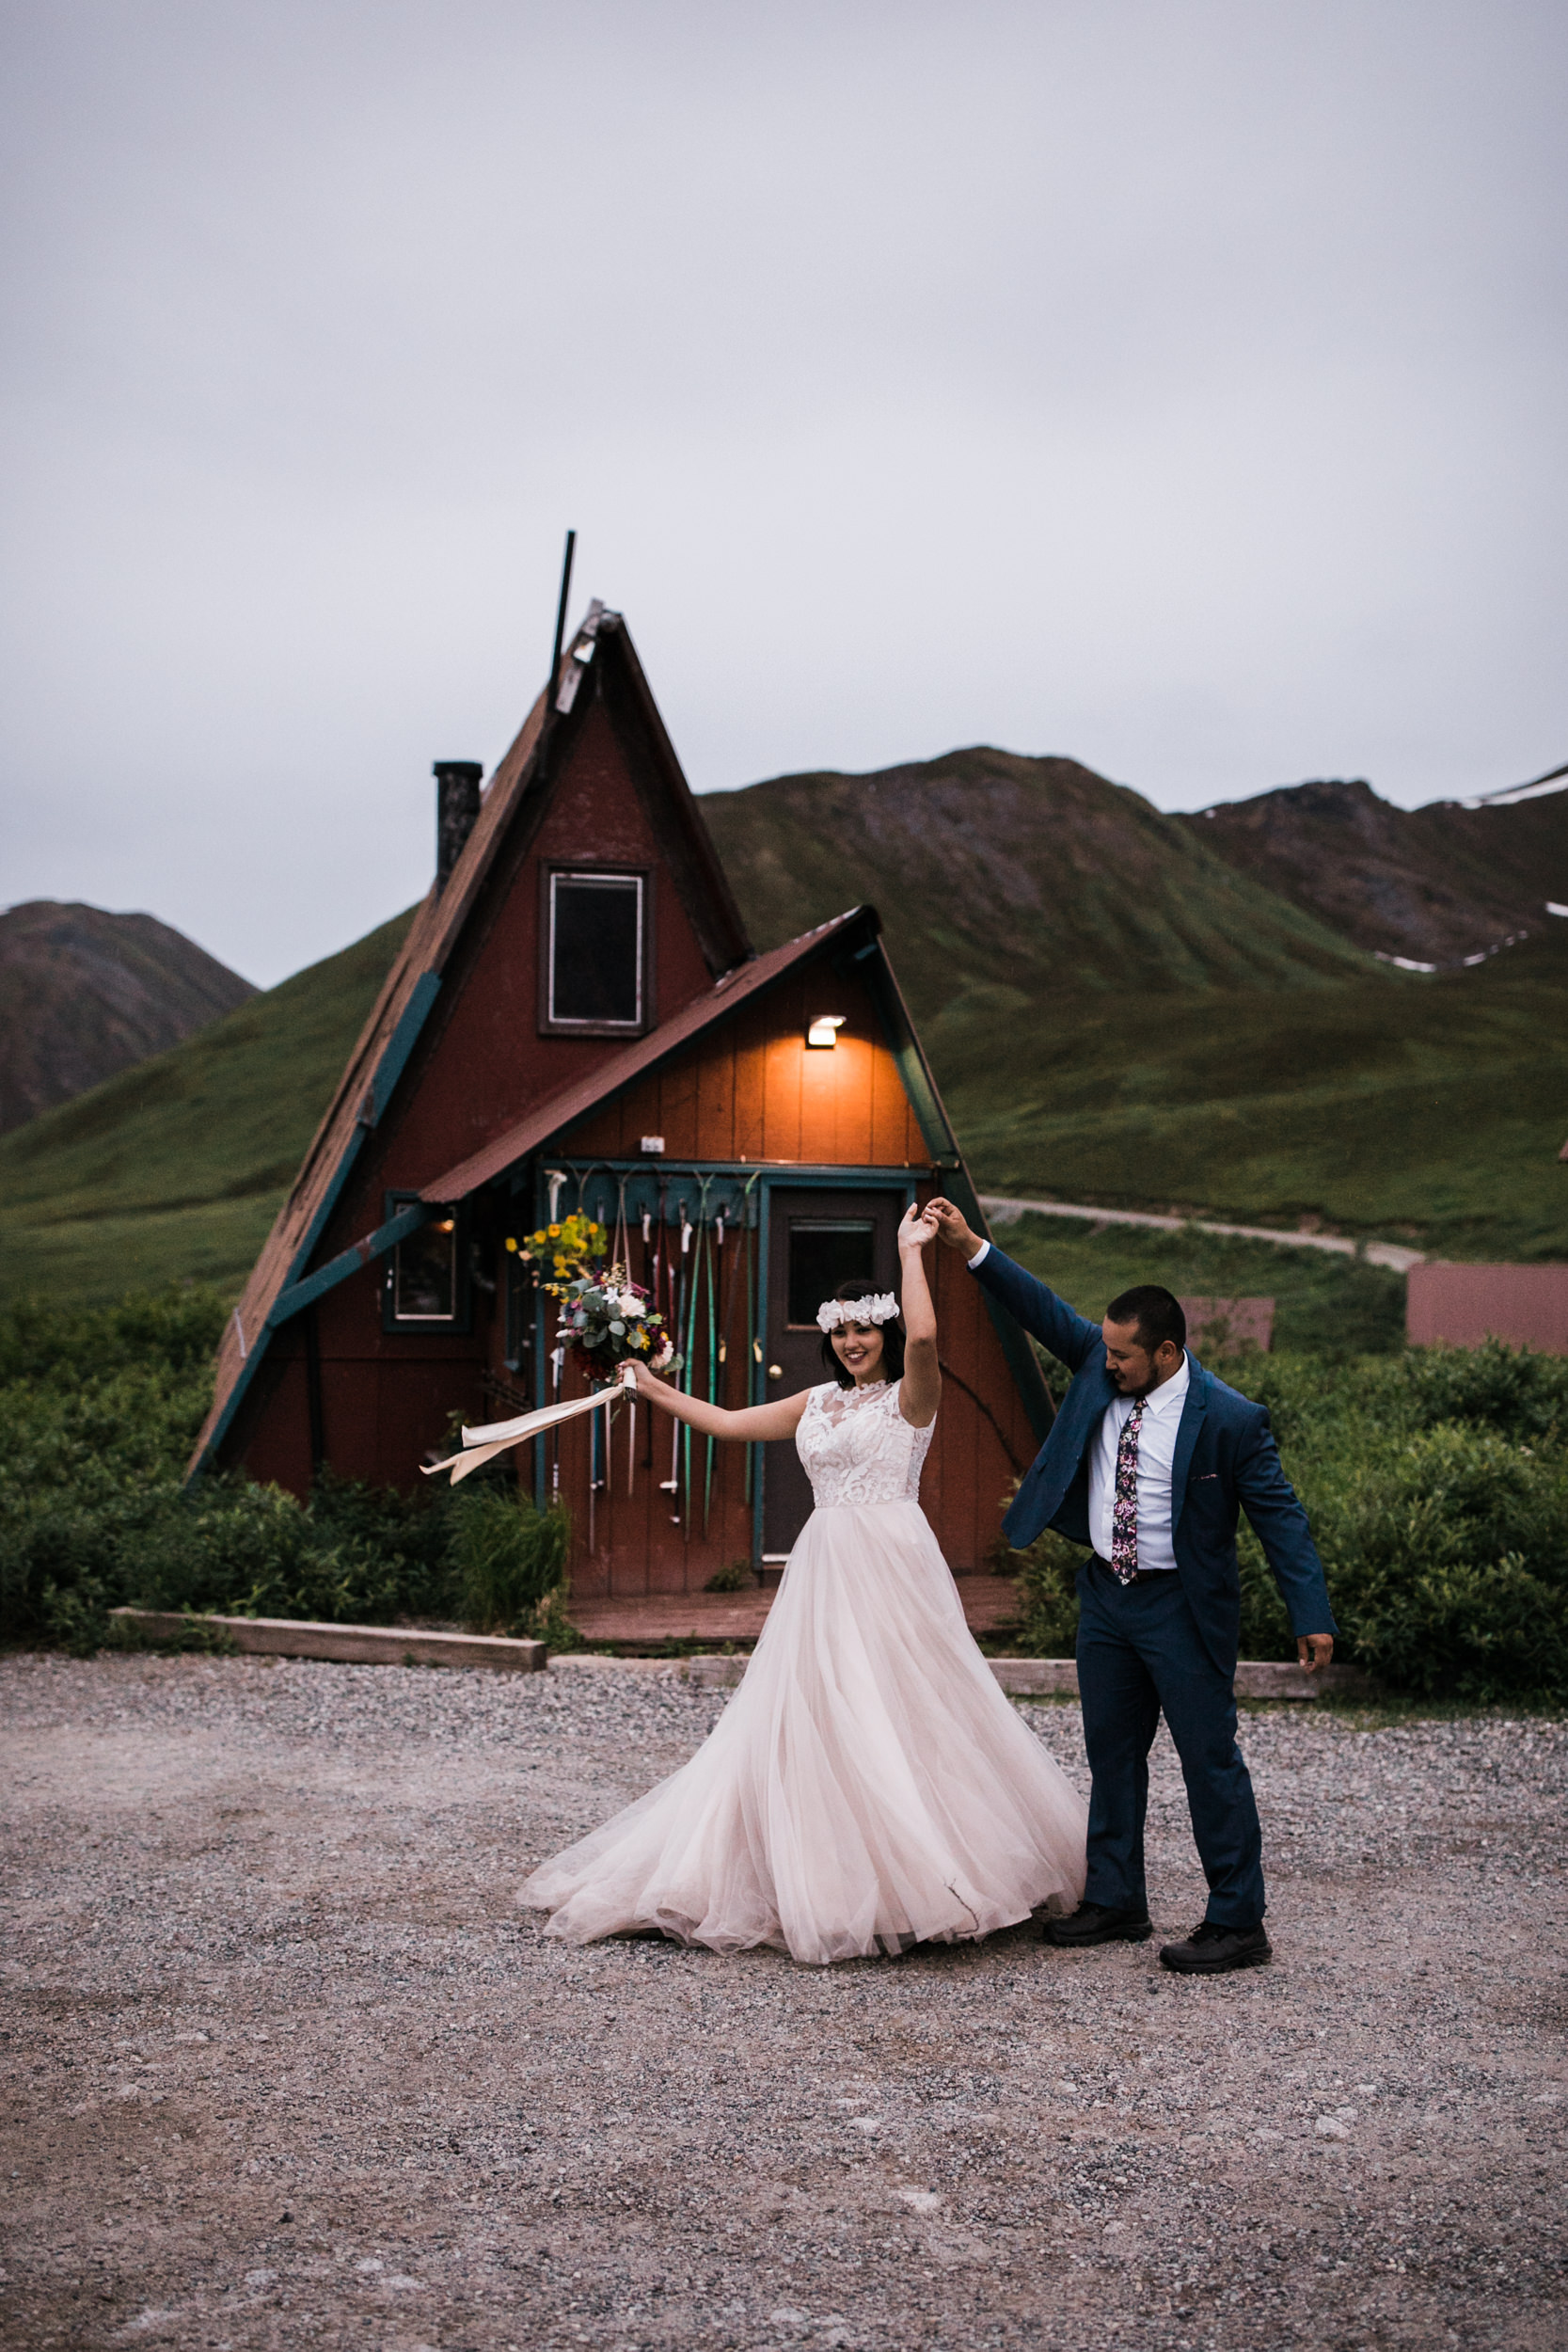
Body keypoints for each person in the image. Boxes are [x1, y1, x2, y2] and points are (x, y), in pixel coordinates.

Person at [520, 1202, 1087, 1964]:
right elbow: (725, 1424)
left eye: (863, 1329)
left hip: (890, 1561)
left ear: (882, 1333)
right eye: (840, 1332)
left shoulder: (911, 1396)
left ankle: (927, 1879)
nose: (851, 1343)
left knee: (905, 1711)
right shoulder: (816, 1402)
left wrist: (910, 1251)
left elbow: (925, 1336)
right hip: (824, 1564)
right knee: (816, 1715)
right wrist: (650, 1389)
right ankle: (824, 1875)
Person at [927, 1199, 1338, 1977]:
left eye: (1121, 1355)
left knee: (1208, 1760)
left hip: (1182, 1607)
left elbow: (1280, 1519)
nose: (1105, 1362)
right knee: (1111, 1753)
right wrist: (969, 1245)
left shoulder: (1231, 1420)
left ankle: (1236, 1922)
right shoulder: (1096, 1360)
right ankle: (1116, 1900)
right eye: (1105, 1350)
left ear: (1166, 1351)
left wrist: (1308, 1612)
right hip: (1107, 1599)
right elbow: (1039, 1306)